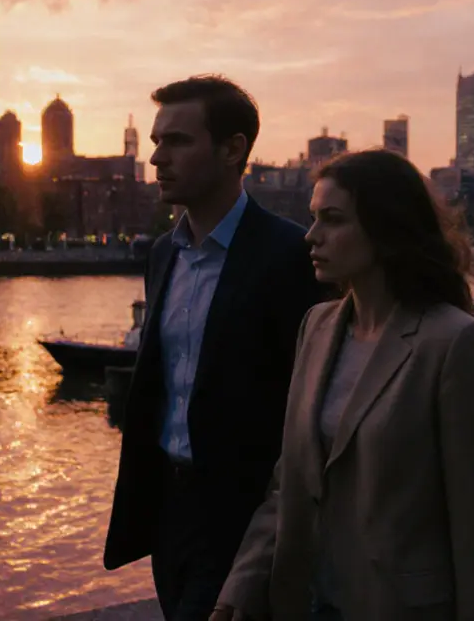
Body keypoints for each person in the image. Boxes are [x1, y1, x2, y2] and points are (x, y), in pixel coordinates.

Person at [212, 150, 474, 620]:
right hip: (307, 604)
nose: (312, 236)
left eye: (333, 220)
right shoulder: (317, 328)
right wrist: (239, 589)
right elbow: (291, 485)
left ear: (386, 230)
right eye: (313, 218)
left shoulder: (455, 344)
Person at [103, 75, 323, 621]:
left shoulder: (290, 255)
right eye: (156, 142)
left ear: (233, 149)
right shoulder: (163, 254)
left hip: (246, 517)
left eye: (177, 141)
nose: (157, 158)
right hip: (169, 514)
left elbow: (308, 405)